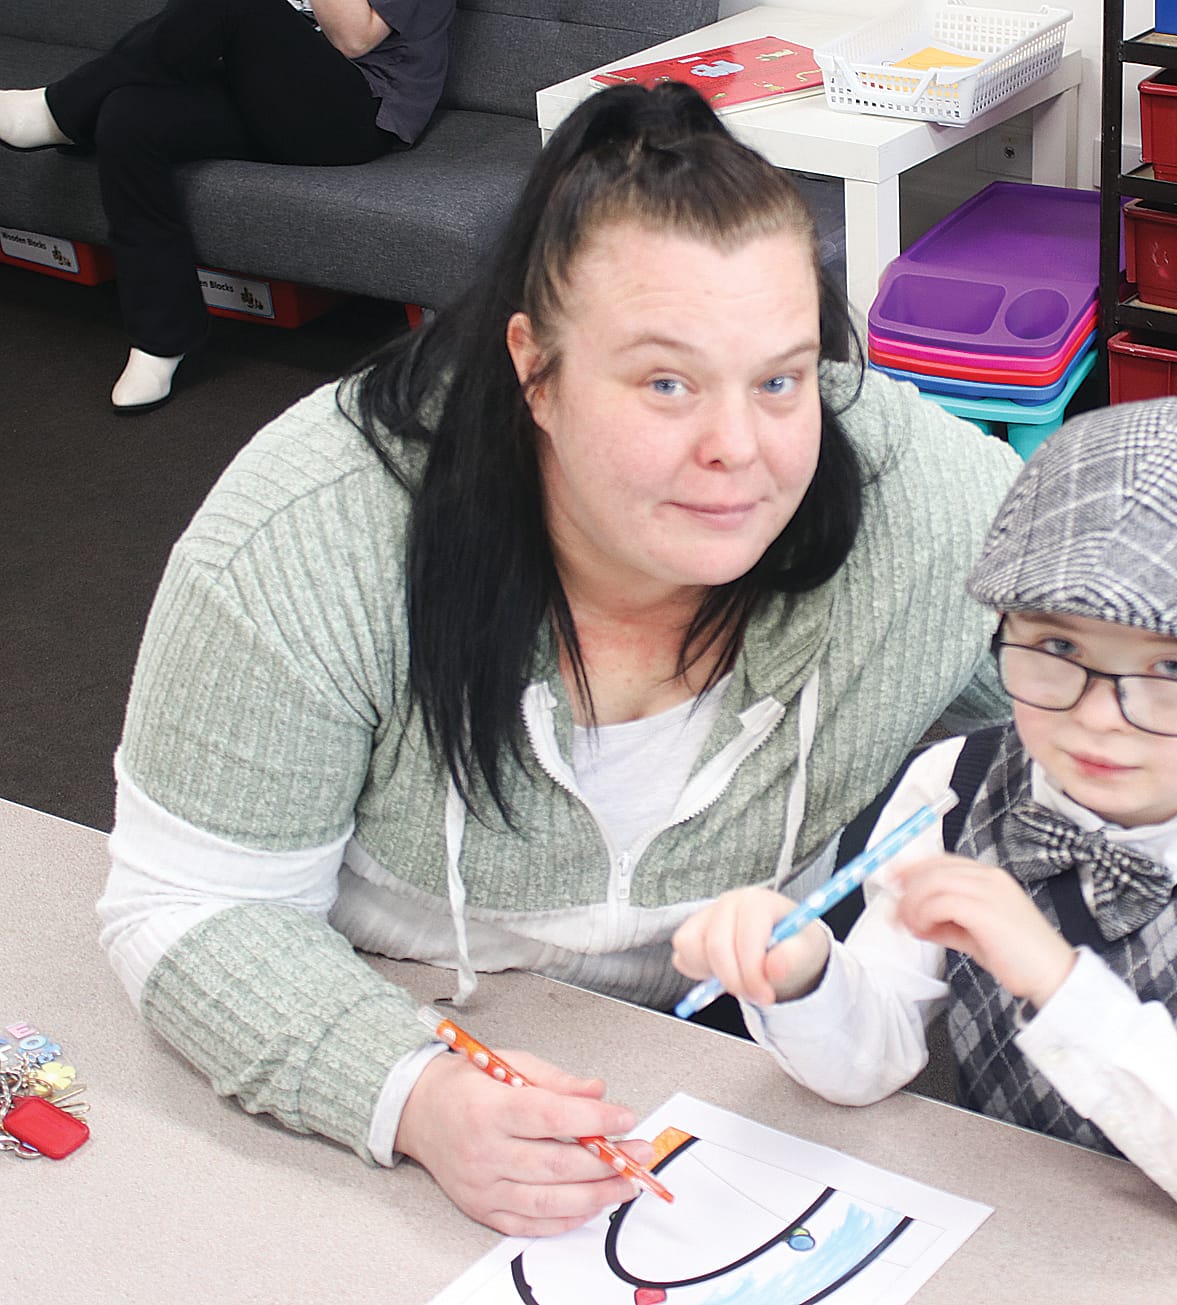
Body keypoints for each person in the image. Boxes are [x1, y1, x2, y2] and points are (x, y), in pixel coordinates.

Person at [95, 82, 1021, 1237]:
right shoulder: (315, 528)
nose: (738, 448)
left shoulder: (925, 501)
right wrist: (410, 1095)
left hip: (766, 1045)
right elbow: (189, 905)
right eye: (667, 383)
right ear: (534, 369)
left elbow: (1096, 730)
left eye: (780, 379)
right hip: (405, 1008)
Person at [672, 398, 1177, 1243]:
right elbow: (870, 1058)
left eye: (1172, 667)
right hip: (1015, 1216)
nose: (1097, 718)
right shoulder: (955, 787)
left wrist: (1057, 980)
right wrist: (806, 973)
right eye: (1057, 649)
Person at [0, 0, 455, 410]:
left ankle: (58, 110)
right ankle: (162, 338)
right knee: (129, 115)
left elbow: (354, 38)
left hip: (357, 112)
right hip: (265, 87)